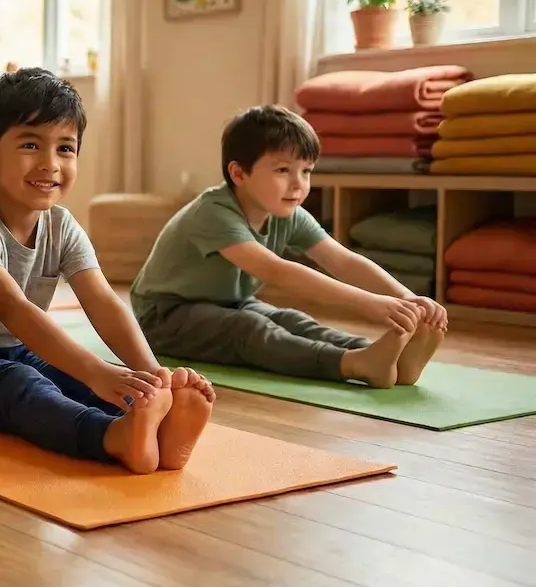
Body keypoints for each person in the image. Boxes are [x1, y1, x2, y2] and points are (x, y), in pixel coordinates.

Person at [0, 68, 215, 475]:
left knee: (87, 381)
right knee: (24, 387)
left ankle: (160, 426)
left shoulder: (61, 225)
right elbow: (14, 309)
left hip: (17, 349)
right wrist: (97, 371)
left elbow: (102, 301)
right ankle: (112, 439)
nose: (50, 164)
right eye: (31, 145)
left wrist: (152, 375)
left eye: (65, 148)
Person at [130, 104, 446, 389]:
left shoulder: (287, 213)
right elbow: (277, 271)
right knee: (249, 329)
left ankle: (381, 355)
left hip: (227, 302)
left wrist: (405, 298)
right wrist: (372, 305)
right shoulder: (212, 214)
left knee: (292, 321)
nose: (299, 184)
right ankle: (353, 364)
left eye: (306, 171)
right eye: (283, 170)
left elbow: (343, 261)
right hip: (165, 316)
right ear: (239, 173)